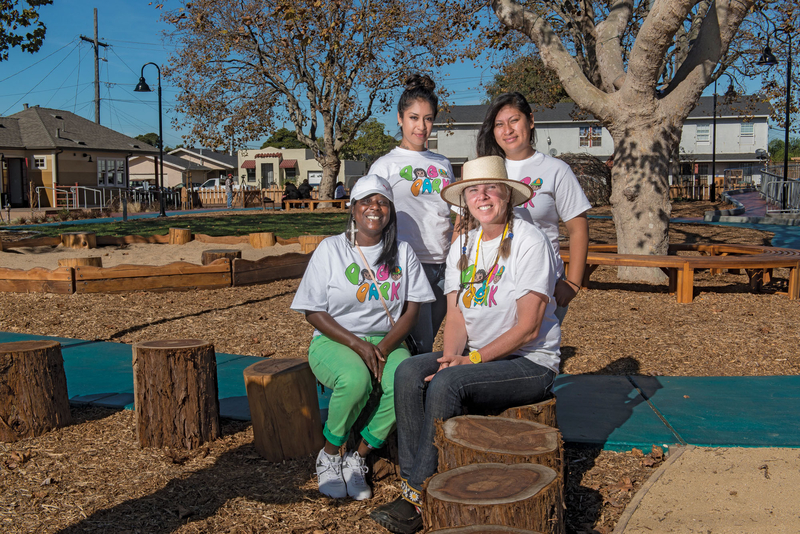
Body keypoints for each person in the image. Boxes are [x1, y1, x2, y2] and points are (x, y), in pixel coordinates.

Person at [370, 156, 561, 534]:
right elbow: (456, 317)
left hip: (530, 362)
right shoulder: (465, 246)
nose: (483, 196)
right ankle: (413, 484)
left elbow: (528, 327)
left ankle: (419, 498)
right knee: (409, 370)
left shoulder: (529, 241)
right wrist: (452, 356)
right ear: (466, 200)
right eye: (473, 189)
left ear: (507, 195)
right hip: (478, 356)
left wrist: (469, 361)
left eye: (491, 188)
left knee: (448, 383)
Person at [291, 174, 435, 501]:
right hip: (336, 340)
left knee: (408, 381)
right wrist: (358, 345)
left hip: (388, 340)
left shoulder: (402, 251)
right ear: (353, 209)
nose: (375, 208)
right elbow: (312, 311)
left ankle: (358, 456)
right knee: (356, 379)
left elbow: (411, 311)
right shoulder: (331, 249)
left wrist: (382, 349)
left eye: (382, 202)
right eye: (366, 201)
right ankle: (329, 454)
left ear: (390, 211)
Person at [477, 92, 591, 324]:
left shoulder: (556, 170)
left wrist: (573, 283)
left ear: (530, 121)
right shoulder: (485, 170)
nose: (507, 130)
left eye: (514, 120)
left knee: (535, 356)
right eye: (499, 124)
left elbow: (578, 229)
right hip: (492, 282)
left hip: (544, 283)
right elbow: (464, 226)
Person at [368, 74, 454, 353]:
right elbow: (370, 215)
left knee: (439, 337)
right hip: (408, 264)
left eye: (428, 119)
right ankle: (413, 395)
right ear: (400, 118)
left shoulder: (443, 163)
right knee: (421, 345)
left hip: (446, 264)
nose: (421, 126)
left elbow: (453, 210)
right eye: (414, 118)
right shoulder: (385, 165)